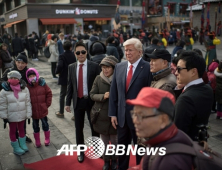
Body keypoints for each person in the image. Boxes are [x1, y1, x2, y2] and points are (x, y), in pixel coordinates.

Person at [108, 38, 152, 170]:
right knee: (122, 149)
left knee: (140, 150)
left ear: (140, 52)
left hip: (139, 118)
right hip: (121, 117)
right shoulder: (119, 67)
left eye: (130, 50)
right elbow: (114, 92)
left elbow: (150, 93)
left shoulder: (148, 68)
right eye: (126, 50)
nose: (127, 53)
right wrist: (112, 114)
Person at [127, 87, 193, 170]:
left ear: (163, 120)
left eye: (141, 115)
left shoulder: (170, 162)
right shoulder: (160, 139)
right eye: (134, 114)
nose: (135, 121)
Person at [65, 41, 100, 163]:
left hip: (91, 101)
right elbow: (70, 86)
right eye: (78, 52)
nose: (81, 55)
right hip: (78, 101)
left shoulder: (94, 66)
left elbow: (99, 86)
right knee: (78, 128)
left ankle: (97, 149)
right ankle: (81, 152)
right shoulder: (71, 67)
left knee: (94, 127)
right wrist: (67, 102)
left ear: (87, 52)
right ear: (75, 53)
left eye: (83, 52)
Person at [174, 51, 214, 141]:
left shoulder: (185, 99)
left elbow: (178, 132)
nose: (176, 73)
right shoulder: (207, 89)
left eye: (179, 69)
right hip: (198, 143)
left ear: (193, 72)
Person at [90, 56, 119, 170]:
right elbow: (92, 95)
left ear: (113, 68)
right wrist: (103, 96)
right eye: (103, 68)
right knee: (105, 141)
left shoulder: (118, 78)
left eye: (108, 68)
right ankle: (106, 161)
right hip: (101, 115)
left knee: (115, 141)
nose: (105, 70)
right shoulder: (98, 78)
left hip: (114, 116)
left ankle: (115, 160)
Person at [0, 71, 32, 155]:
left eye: (15, 78)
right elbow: (2, 105)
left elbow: (27, 102)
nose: (13, 80)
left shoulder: (24, 89)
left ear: (19, 79)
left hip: (22, 114)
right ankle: (16, 147)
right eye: (11, 78)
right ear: (8, 79)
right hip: (11, 115)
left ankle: (22, 144)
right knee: (13, 131)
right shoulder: (4, 91)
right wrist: (4, 116)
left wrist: (28, 113)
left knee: (22, 129)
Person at [26, 68, 52, 147]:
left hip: (42, 109)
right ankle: (37, 140)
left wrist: (46, 104)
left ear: (36, 75)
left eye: (33, 75)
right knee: (35, 126)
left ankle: (47, 138)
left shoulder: (42, 84)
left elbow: (49, 93)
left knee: (45, 124)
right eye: (30, 76)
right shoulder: (27, 87)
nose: (32, 77)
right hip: (33, 111)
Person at [55, 41, 77, 119]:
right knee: (74, 95)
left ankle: (61, 112)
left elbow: (60, 65)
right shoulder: (73, 55)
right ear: (71, 47)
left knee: (62, 95)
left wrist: (57, 72)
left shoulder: (62, 55)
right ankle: (75, 114)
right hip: (73, 77)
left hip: (64, 77)